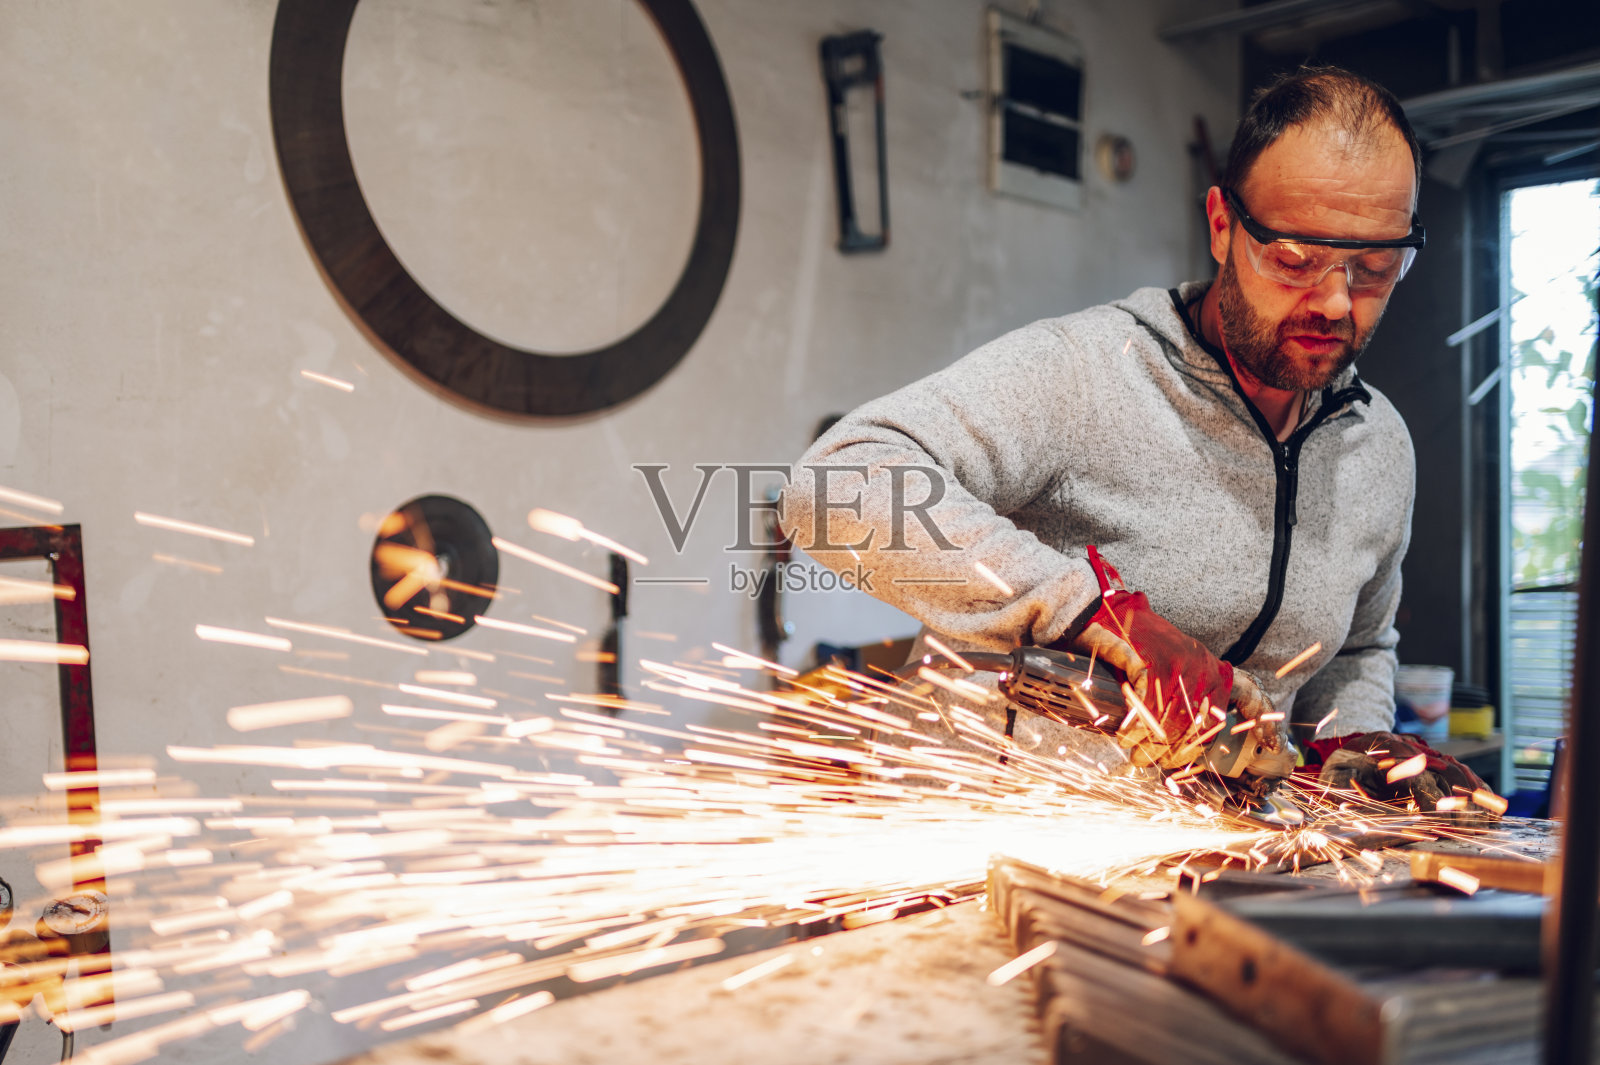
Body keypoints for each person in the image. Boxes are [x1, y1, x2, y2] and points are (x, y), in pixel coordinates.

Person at [781, 66, 1490, 813]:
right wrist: (1097, 613)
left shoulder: (1379, 447)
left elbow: (1355, 649)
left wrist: (1349, 746)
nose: (1336, 301)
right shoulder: (1088, 372)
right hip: (983, 844)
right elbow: (832, 484)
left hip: (1207, 867)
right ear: (1221, 226)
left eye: (1375, 269)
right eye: (1294, 261)